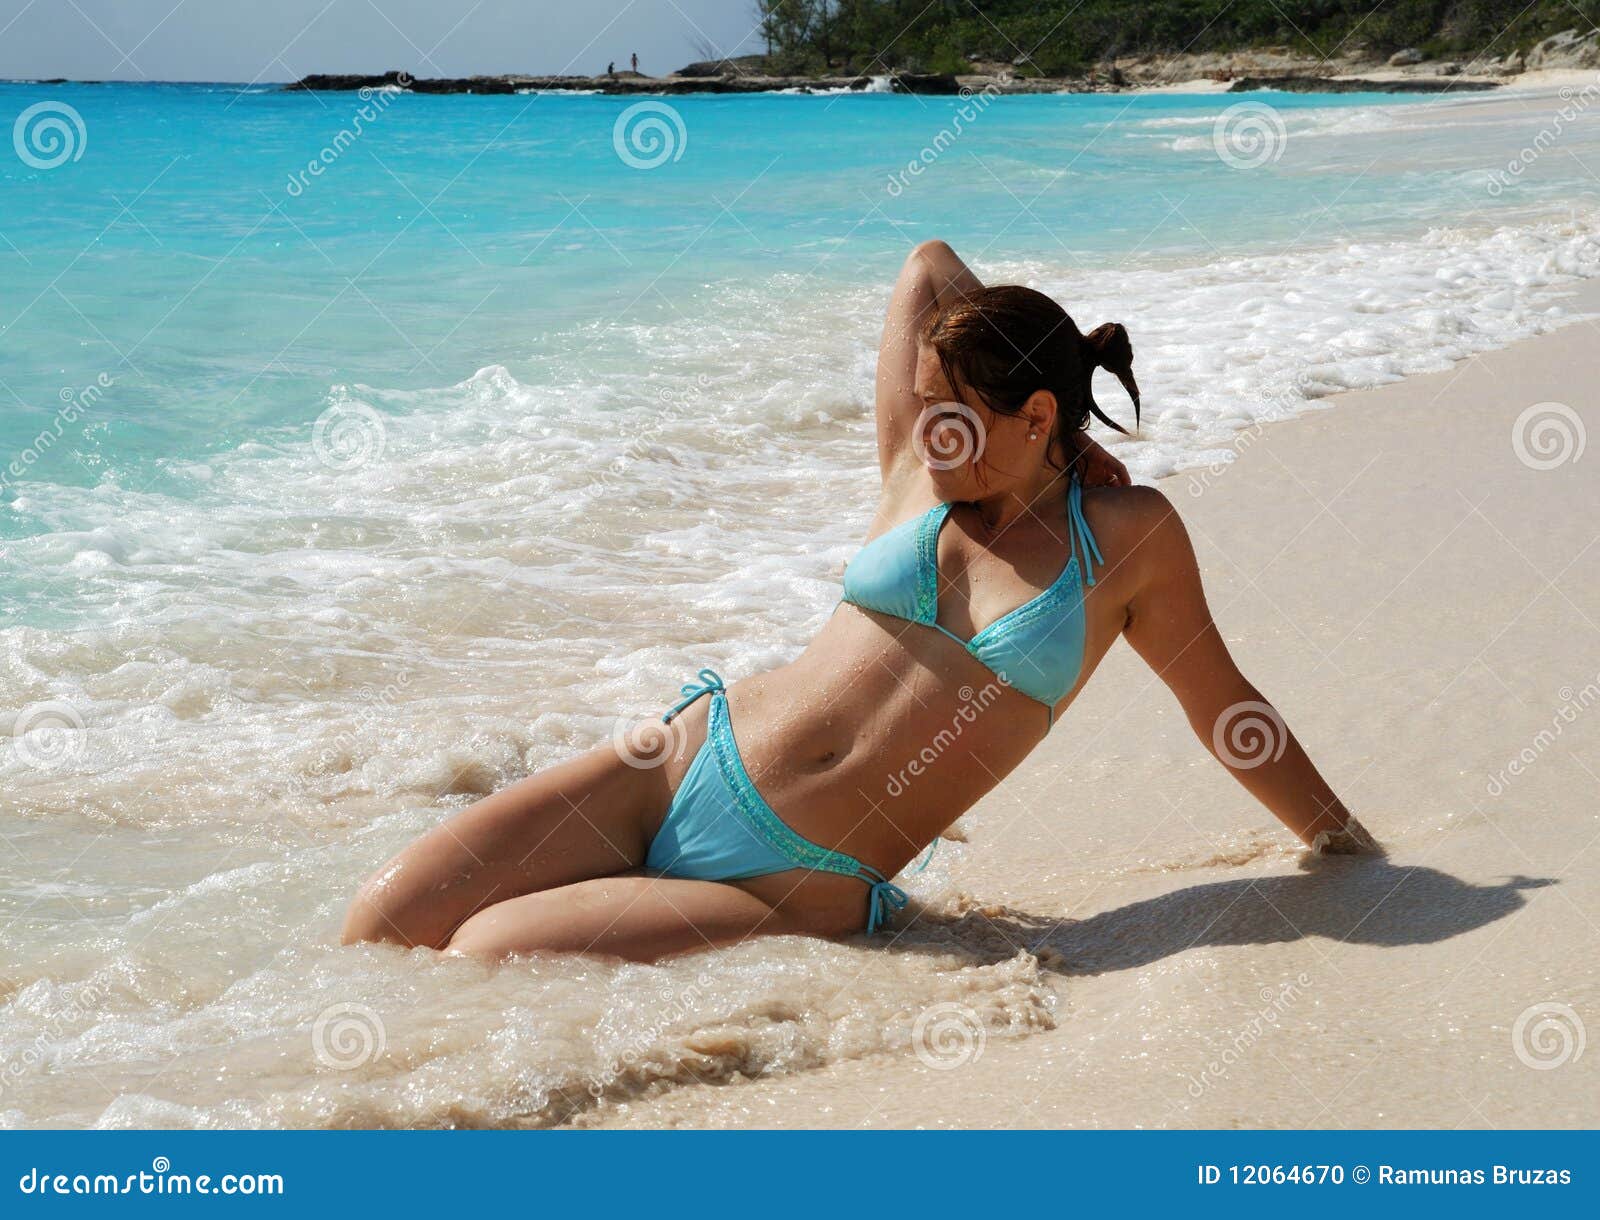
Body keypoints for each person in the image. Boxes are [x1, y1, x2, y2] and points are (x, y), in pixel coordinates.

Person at [343, 240, 1374, 962]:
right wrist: (1050, 415)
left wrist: (1340, 840)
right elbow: (926, 263)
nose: (922, 433)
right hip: (677, 765)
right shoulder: (918, 476)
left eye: (953, 415)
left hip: (792, 878)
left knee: (483, 954)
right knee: (382, 922)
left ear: (1035, 415)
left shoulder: (1126, 541)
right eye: (920, 406)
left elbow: (1219, 702)